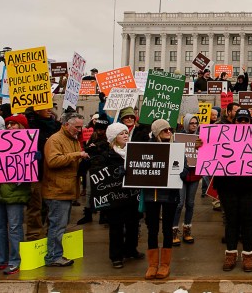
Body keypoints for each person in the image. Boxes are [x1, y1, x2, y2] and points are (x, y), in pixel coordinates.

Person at [215, 109, 252, 272]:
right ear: (234, 122)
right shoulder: (221, 136)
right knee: (231, 221)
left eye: (246, 120)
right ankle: (230, 254)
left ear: (250, 122)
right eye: (240, 120)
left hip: (251, 187)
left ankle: (247, 255)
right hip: (227, 186)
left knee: (248, 221)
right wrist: (202, 146)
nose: (243, 123)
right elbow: (212, 153)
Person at [0, 115, 31, 275]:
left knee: (15, 227)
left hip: (14, 192)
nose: (10, 127)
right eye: (8, 124)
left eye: (14, 124)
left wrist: (33, 161)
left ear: (22, 127)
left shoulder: (27, 143)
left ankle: (15, 260)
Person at [91, 123, 143, 268]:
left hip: (132, 195)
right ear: (114, 138)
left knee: (133, 224)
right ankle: (116, 256)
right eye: (122, 134)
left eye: (126, 133)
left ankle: (131, 250)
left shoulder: (134, 152)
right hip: (115, 197)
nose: (126, 135)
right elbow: (98, 173)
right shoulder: (106, 155)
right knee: (117, 228)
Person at [42, 112, 89, 267]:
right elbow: (53, 161)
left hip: (65, 190)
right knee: (57, 225)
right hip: (57, 191)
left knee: (59, 225)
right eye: (77, 127)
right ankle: (53, 257)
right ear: (66, 124)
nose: (79, 130)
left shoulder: (72, 139)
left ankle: (55, 254)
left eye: (81, 127)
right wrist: (76, 155)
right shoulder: (55, 140)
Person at [143, 119, 181, 280]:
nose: (169, 133)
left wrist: (183, 172)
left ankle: (165, 264)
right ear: (157, 132)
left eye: (170, 130)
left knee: (167, 229)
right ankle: (152, 265)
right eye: (165, 130)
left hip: (170, 195)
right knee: (152, 229)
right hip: (152, 195)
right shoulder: (145, 148)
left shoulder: (176, 148)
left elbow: (183, 166)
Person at [24, 106, 61, 241]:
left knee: (53, 206)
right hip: (36, 172)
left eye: (50, 107)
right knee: (35, 207)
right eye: (45, 107)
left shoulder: (57, 126)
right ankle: (34, 237)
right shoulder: (29, 126)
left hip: (54, 172)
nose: (49, 109)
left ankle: (52, 236)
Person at [172, 114, 202, 246]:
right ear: (186, 124)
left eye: (196, 123)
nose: (194, 125)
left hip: (195, 175)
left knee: (190, 203)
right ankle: (173, 231)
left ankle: (187, 230)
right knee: (179, 204)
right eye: (191, 123)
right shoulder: (178, 138)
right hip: (181, 174)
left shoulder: (200, 138)